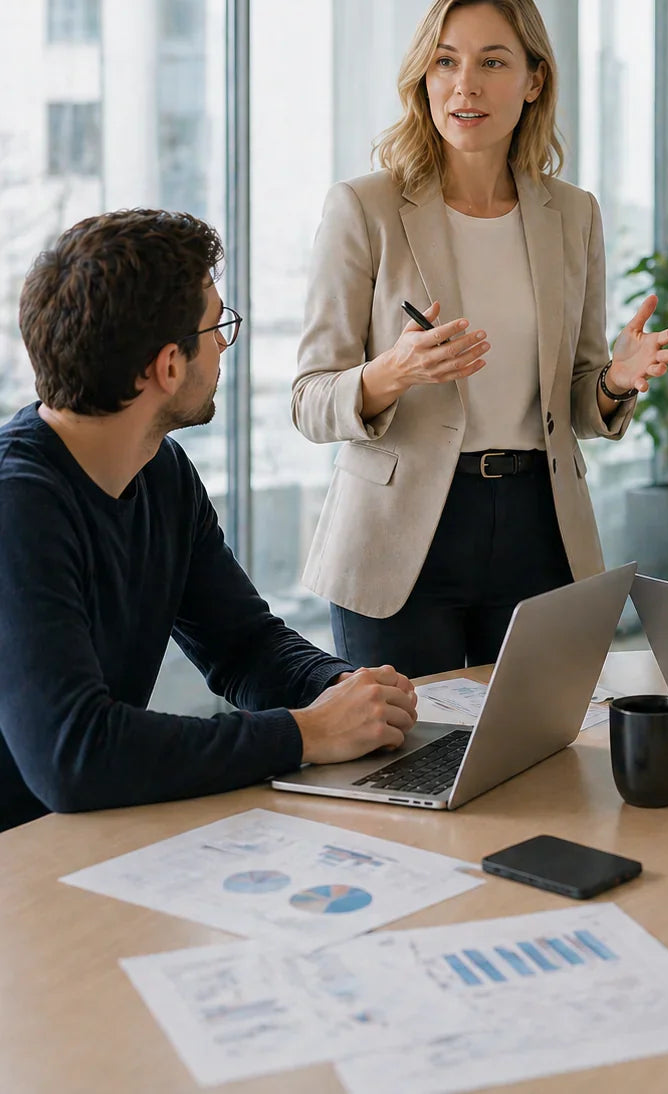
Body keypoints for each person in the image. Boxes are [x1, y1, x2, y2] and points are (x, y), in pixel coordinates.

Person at [293, 0, 668, 678]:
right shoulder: (365, 208)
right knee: (409, 764)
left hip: (540, 527)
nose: (464, 85)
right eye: (446, 61)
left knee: (535, 757)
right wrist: (394, 372)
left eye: (492, 62)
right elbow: (309, 401)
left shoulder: (573, 214)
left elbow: (576, 399)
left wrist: (615, 382)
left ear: (534, 81)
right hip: (399, 538)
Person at [0, 210, 418, 834]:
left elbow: (245, 647)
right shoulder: (18, 506)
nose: (224, 343)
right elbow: (74, 753)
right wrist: (305, 733)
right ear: (168, 365)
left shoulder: (160, 471)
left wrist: (351, 694)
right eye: (217, 324)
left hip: (82, 840)